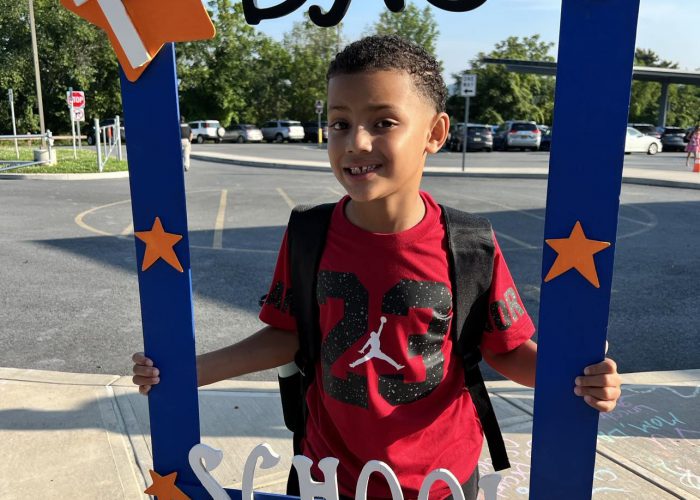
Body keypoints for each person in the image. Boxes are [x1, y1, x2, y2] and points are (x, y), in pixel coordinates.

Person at [133, 35, 622, 500]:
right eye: (340, 122)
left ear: (434, 133)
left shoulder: (470, 245)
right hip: (329, 476)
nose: (355, 143)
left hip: (442, 483)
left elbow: (509, 352)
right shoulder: (309, 234)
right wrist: (188, 372)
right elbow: (289, 334)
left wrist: (579, 376)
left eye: (384, 122)